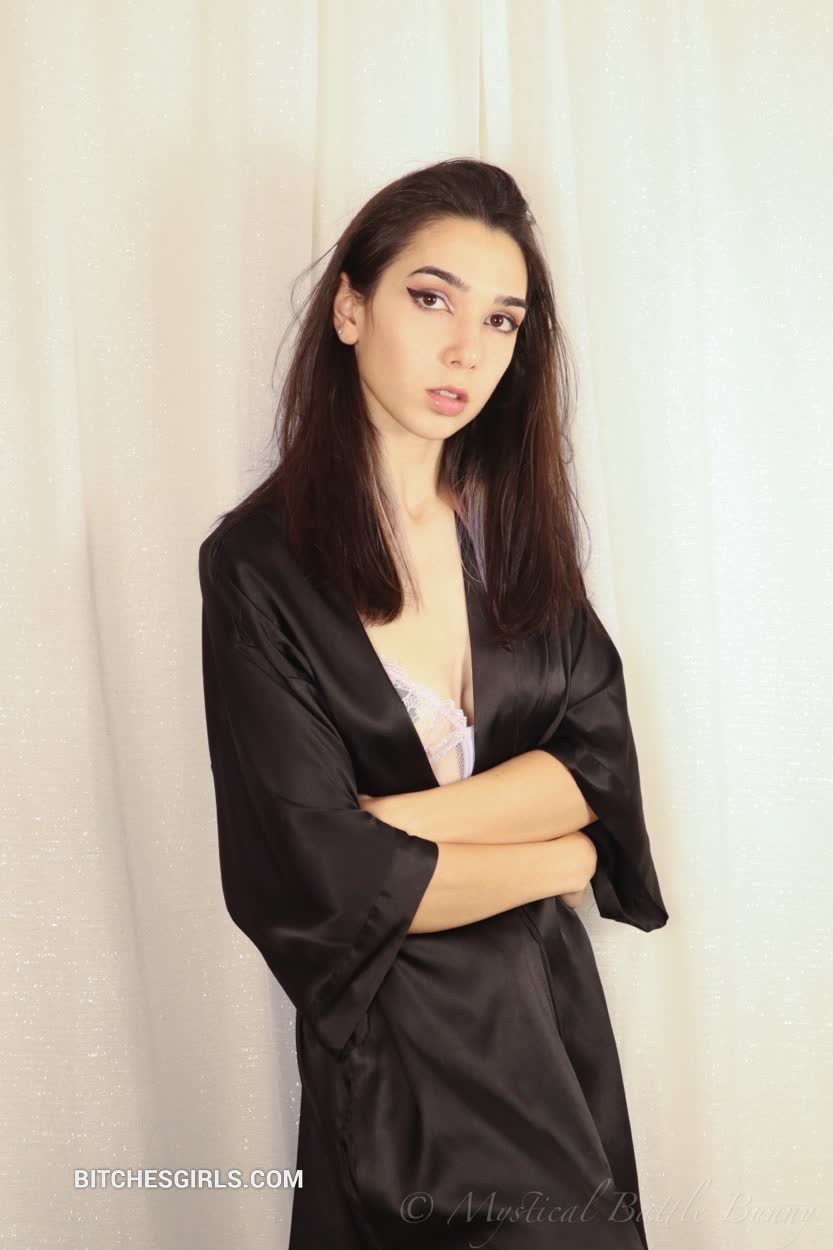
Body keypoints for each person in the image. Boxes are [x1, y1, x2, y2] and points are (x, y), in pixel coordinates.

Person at [198, 158, 669, 1249]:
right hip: (401, 1062)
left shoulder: (509, 535)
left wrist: (383, 827)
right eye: (430, 298)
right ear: (350, 308)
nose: (467, 348)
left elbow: (594, 769)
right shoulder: (258, 567)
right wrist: (553, 856)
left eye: (500, 320)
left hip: (551, 1031)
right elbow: (306, 882)